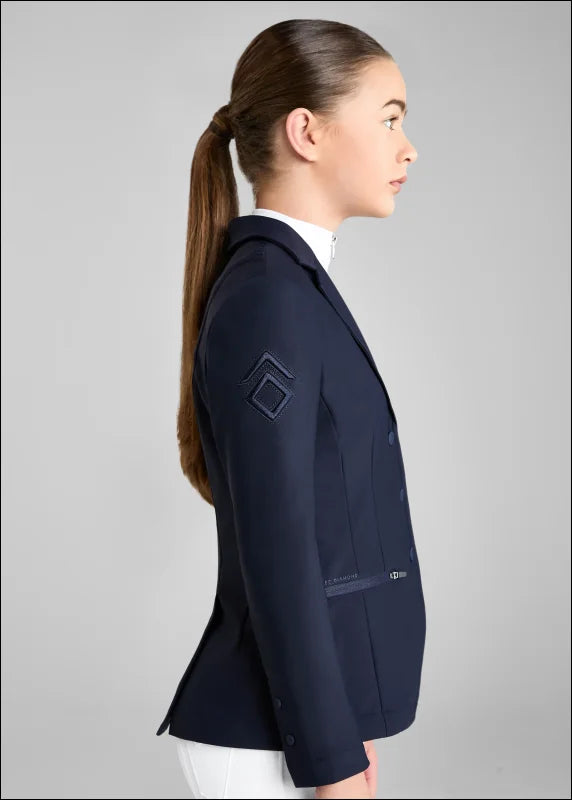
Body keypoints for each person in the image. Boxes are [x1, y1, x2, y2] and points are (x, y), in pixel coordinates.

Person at [156, 17, 424, 800]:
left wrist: (347, 720)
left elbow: (327, 533)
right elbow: (279, 556)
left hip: (303, 726)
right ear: (306, 132)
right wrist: (331, 757)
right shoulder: (270, 300)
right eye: (389, 119)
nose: (408, 148)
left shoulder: (291, 289)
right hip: (267, 742)